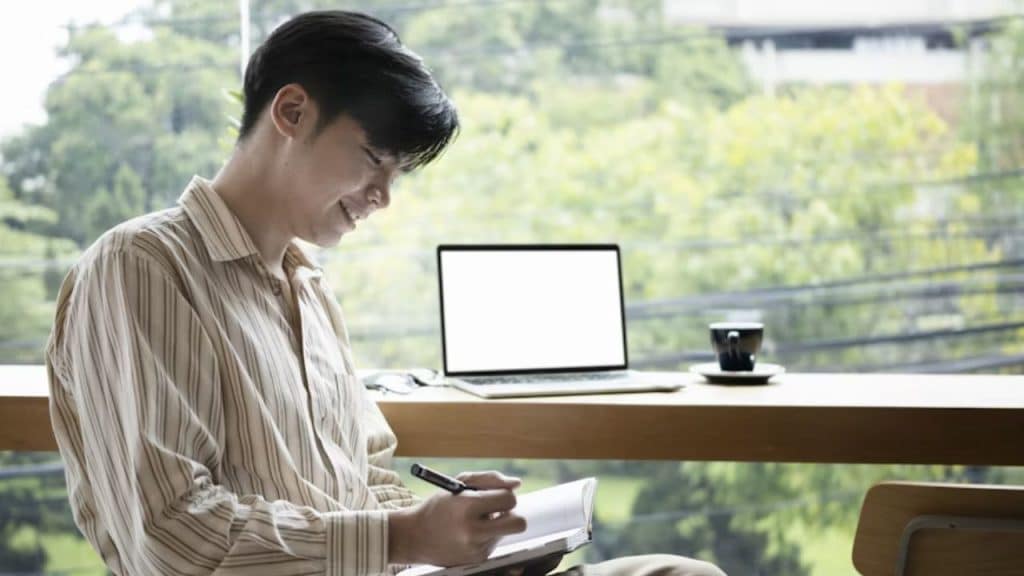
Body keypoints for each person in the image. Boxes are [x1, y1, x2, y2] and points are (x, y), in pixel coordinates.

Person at [45, 10, 726, 576]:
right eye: (374, 160)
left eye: (397, 173)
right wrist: (406, 538)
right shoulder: (142, 267)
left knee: (681, 575)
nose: (383, 198)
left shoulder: (307, 289)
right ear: (291, 111)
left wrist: (460, 533)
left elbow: (366, 482)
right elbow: (172, 536)